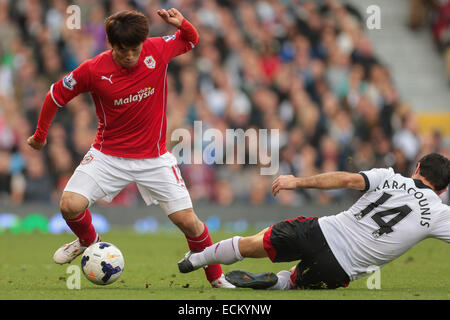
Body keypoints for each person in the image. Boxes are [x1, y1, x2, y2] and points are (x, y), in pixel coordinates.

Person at [27, 8, 233, 288]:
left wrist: (181, 22)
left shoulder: (157, 49)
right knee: (69, 205)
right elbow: (54, 95)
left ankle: (217, 279)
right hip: (107, 156)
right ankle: (88, 241)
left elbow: (192, 40)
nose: (130, 56)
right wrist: (40, 135)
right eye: (124, 50)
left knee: (190, 223)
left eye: (135, 49)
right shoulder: (93, 69)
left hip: (155, 158)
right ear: (112, 45)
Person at [178, 153, 450, 289]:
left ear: (417, 169)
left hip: (321, 231)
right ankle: (280, 282)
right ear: (442, 190)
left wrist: (297, 182)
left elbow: (345, 179)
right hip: (340, 270)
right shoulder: (438, 213)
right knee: (296, 282)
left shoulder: (389, 176)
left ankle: (198, 259)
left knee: (253, 243)